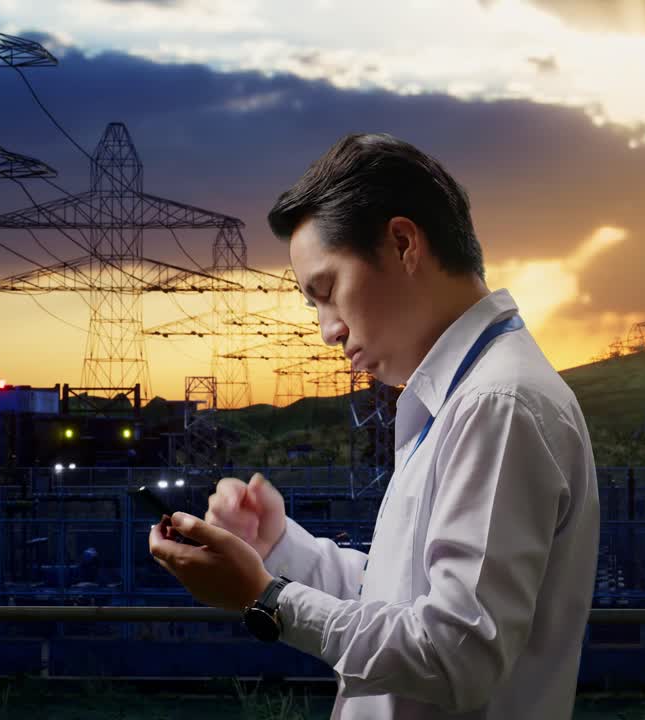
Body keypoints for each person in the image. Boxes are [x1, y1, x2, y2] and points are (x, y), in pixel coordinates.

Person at [148, 132, 600, 719]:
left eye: (327, 290)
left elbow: (454, 654)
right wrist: (279, 552)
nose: (326, 330)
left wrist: (265, 598)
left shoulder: (497, 403)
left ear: (403, 243)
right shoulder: (462, 397)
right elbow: (405, 601)